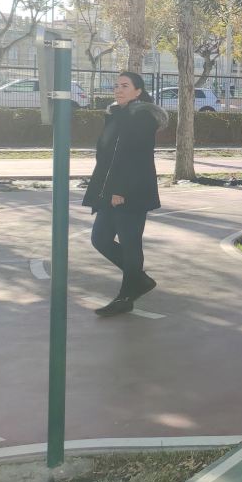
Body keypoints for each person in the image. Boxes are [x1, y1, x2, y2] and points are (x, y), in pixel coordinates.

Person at [84, 72, 168, 317]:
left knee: (130, 244)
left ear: (138, 91)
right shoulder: (116, 115)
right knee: (100, 239)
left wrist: (121, 190)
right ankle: (139, 280)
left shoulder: (142, 116)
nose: (118, 90)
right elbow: (108, 154)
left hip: (131, 191)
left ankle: (126, 297)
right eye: (116, 86)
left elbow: (137, 157)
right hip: (109, 189)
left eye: (125, 86)